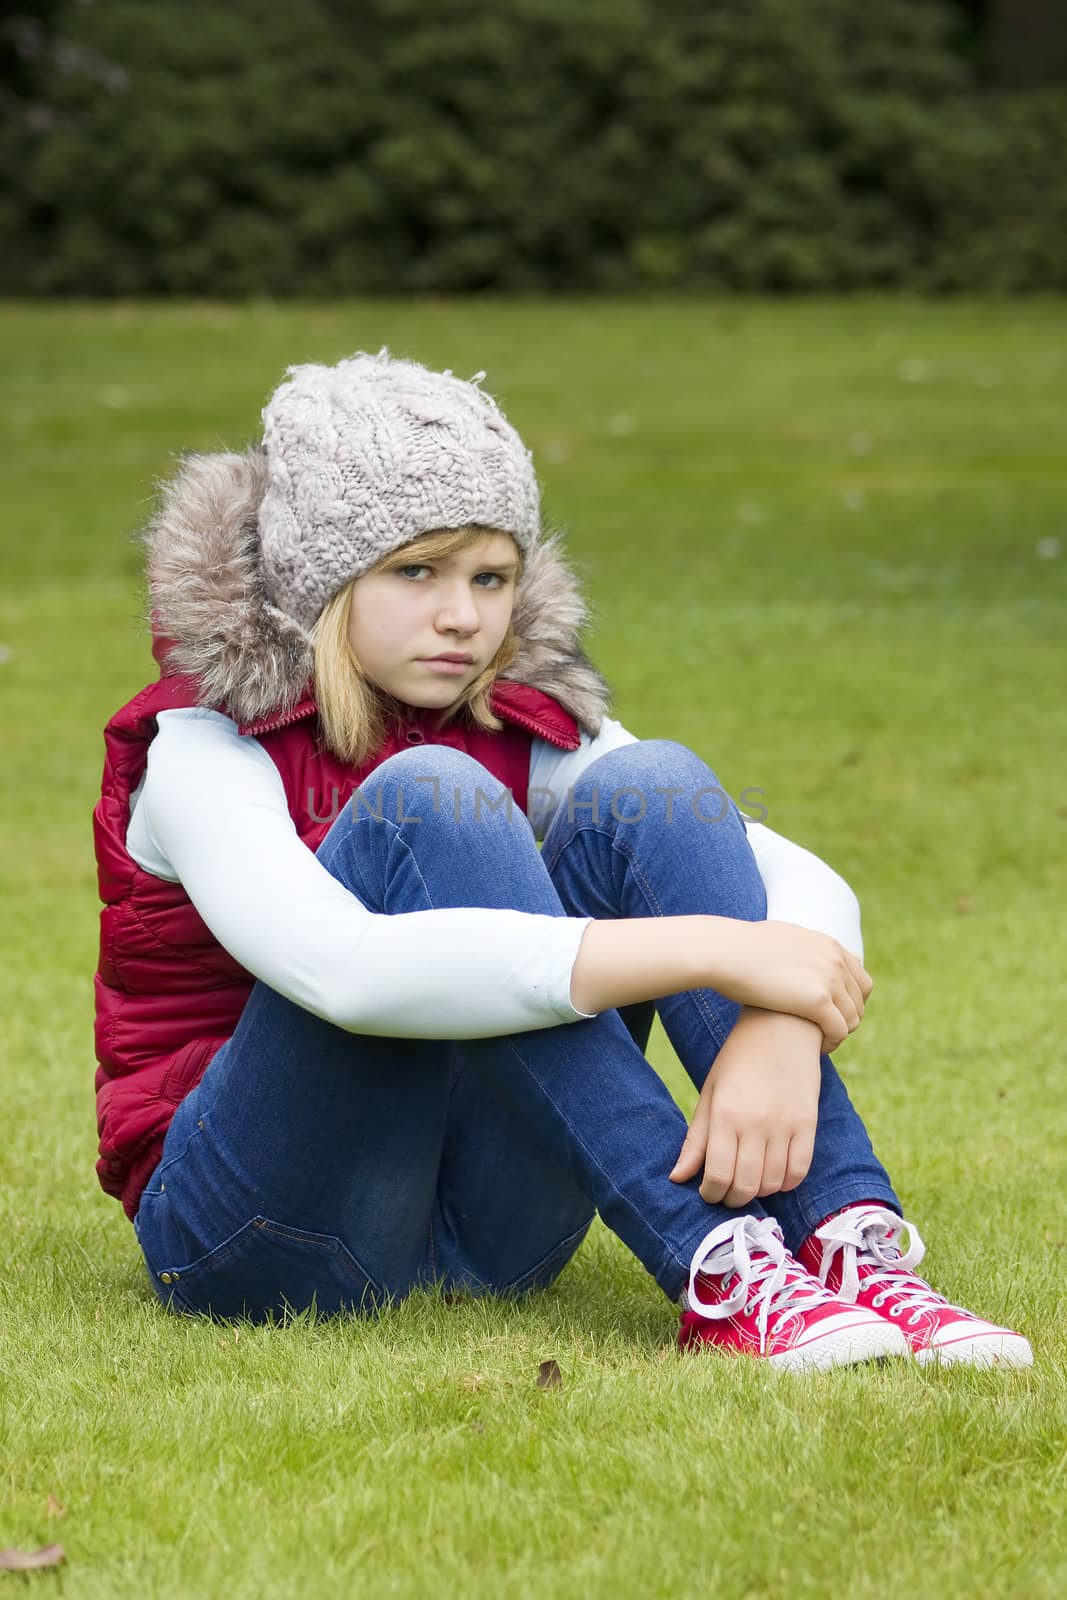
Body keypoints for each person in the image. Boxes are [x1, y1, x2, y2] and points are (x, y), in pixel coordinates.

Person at [92, 348, 1032, 1373]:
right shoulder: (201, 747)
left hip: (490, 1237)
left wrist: (775, 1021)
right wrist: (716, 950)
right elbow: (345, 973)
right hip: (259, 1233)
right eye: (416, 571)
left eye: (490, 576)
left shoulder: (530, 719)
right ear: (325, 581)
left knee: (654, 787)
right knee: (431, 801)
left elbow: (801, 881)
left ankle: (845, 1240)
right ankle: (716, 1265)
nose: (463, 615)